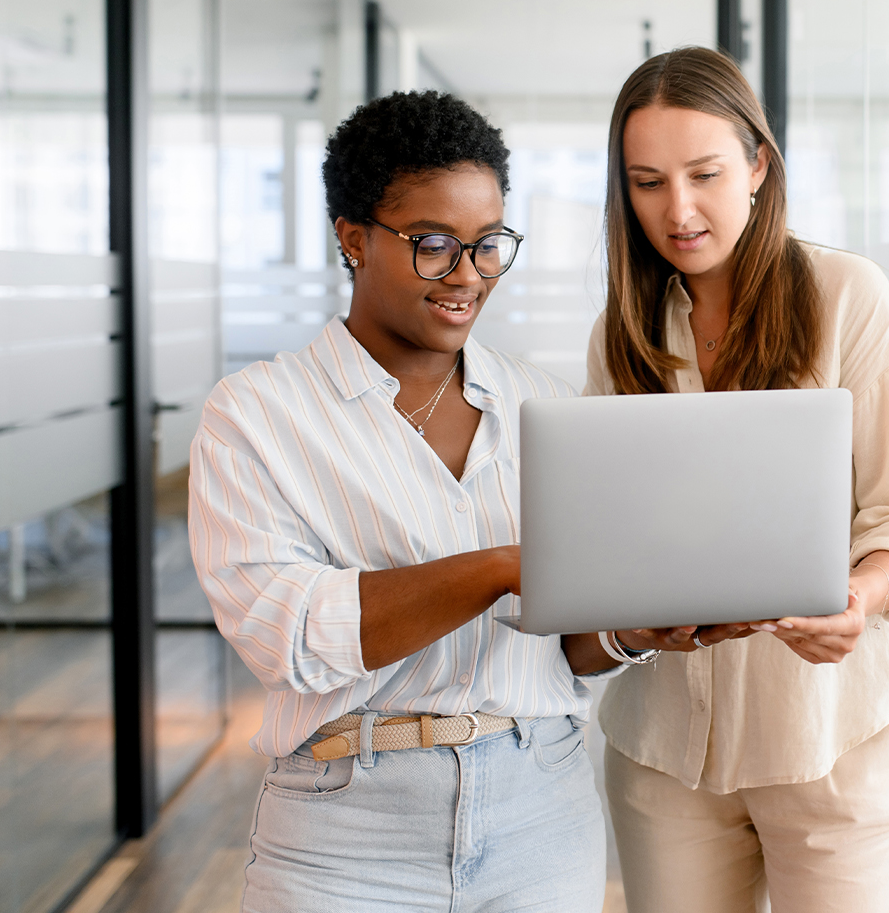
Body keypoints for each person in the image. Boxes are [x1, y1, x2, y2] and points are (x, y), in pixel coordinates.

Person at [188, 90, 618, 912]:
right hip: (345, 832)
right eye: (433, 245)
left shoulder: (547, 408)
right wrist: (499, 568)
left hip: (543, 809)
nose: (467, 276)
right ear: (352, 238)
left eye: (489, 244)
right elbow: (290, 638)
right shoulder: (256, 416)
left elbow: (573, 647)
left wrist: (637, 630)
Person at [583, 47, 889, 913]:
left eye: (705, 173)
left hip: (838, 744)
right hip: (666, 752)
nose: (677, 210)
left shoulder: (847, 297)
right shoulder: (623, 331)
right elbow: (609, 527)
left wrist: (860, 599)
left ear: (758, 165)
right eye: (646, 183)